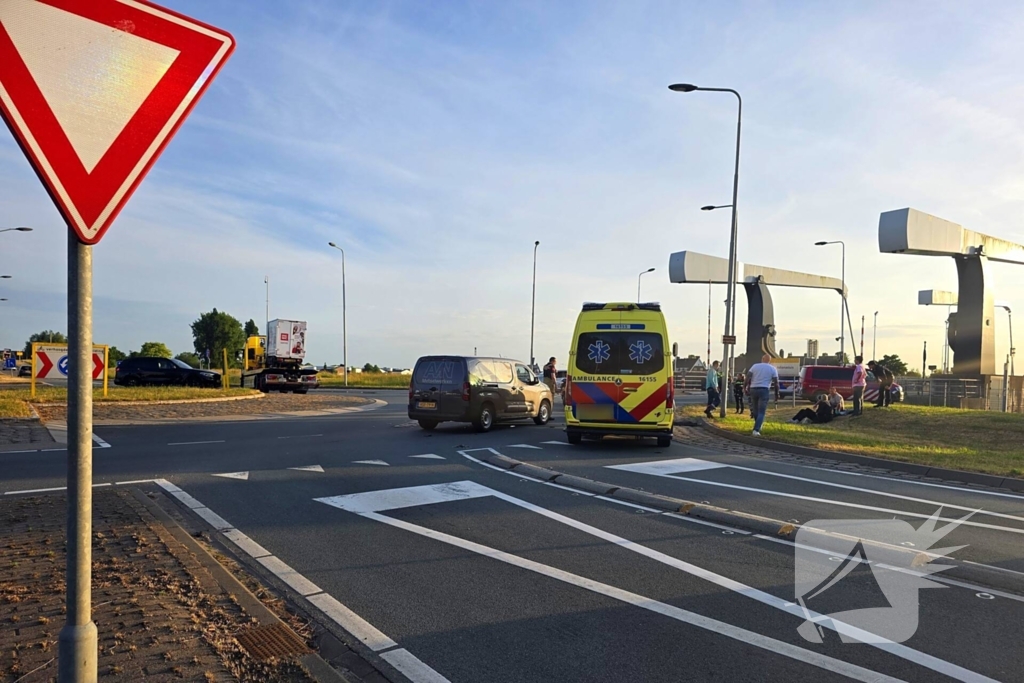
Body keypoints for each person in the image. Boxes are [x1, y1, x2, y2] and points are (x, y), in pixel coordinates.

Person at [744, 354, 779, 437]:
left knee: (755, 410)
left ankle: (758, 425)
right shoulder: (772, 369)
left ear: (762, 359)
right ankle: (756, 429)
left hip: (753, 389)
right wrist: (776, 394)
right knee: (761, 411)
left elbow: (747, 377)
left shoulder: (755, 366)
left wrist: (744, 387)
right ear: (769, 360)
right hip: (764, 389)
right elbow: (776, 383)